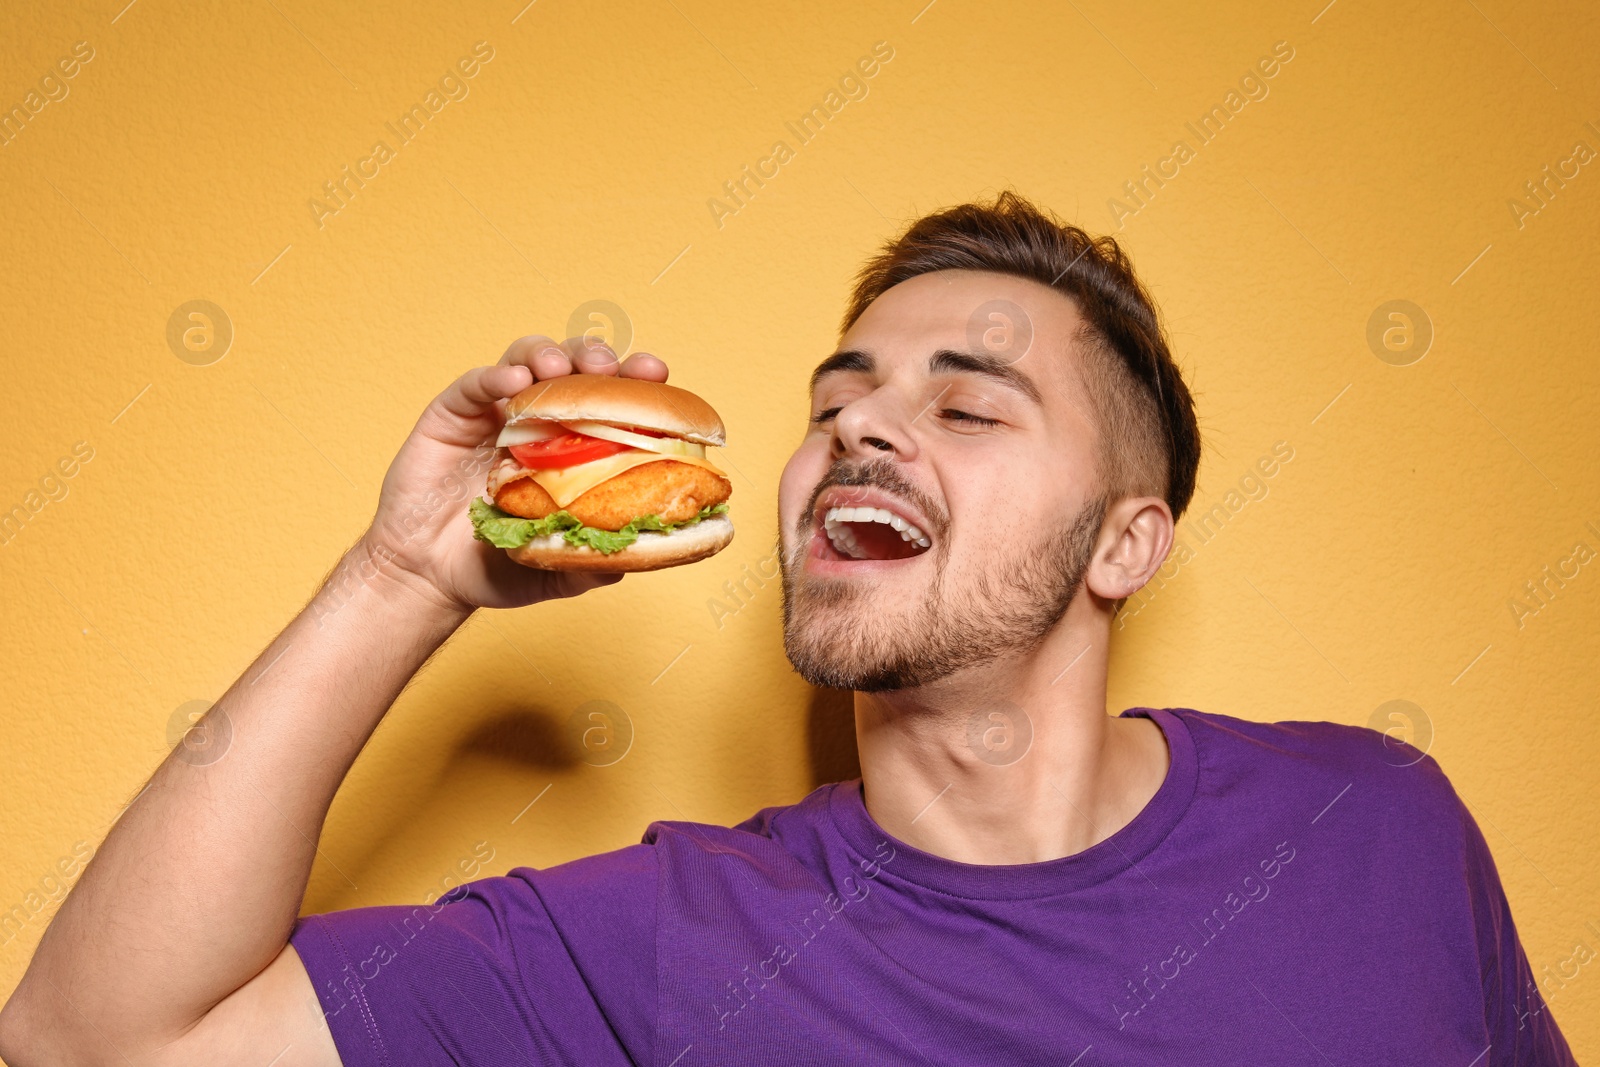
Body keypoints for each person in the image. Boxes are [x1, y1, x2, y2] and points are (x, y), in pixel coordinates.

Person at [0, 192, 1576, 1066]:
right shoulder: (663, 948)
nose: (862, 436)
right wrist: (400, 578)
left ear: (1126, 541)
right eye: (838, 403)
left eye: (967, 402)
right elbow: (88, 1050)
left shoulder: (1374, 825)